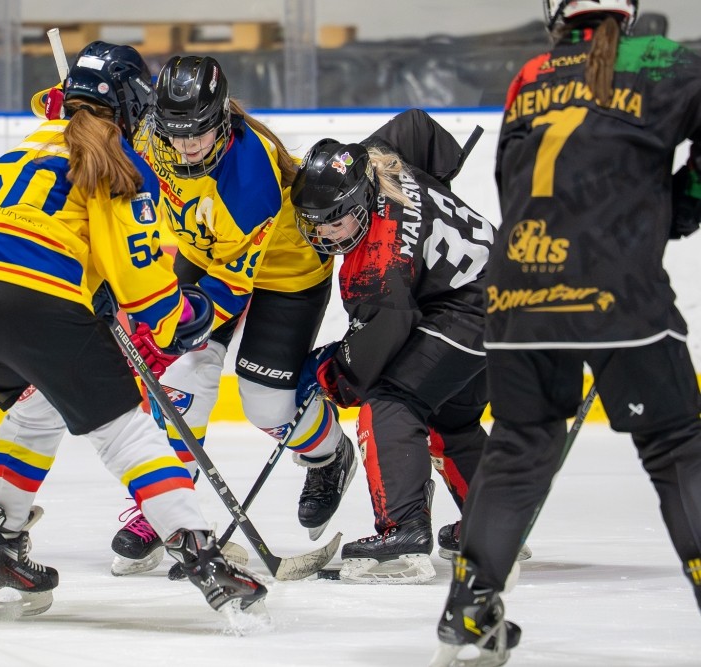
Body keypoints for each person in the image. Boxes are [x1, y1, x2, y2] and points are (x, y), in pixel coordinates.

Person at [0, 41, 268, 620]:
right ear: (135, 101)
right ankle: (202, 557)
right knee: (127, 433)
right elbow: (140, 283)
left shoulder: (30, 142)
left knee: (37, 409)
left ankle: (0, 546)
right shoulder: (116, 160)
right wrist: (180, 319)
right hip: (31, 302)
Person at [431, 1, 701, 664]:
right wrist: (682, 203)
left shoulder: (531, 73)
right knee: (676, 447)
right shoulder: (659, 59)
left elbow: (511, 182)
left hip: (518, 285)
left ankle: (470, 606)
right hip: (616, 285)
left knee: (519, 446)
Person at [106, 54, 360, 577]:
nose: (187, 145)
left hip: (284, 274)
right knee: (183, 377)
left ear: (221, 116)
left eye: (199, 131)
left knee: (266, 405)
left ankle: (329, 454)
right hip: (204, 258)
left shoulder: (250, 180)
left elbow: (232, 286)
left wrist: (171, 320)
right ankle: (165, 508)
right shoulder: (150, 134)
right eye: (176, 132)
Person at [290, 109, 499, 584]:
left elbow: (369, 363)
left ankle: (403, 532)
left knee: (390, 404)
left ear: (362, 201)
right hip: (504, 293)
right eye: (315, 223)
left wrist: (327, 374)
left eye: (336, 223)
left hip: (473, 312)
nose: (324, 234)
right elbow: (418, 125)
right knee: (451, 417)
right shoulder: (381, 159)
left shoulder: (376, 266)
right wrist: (438, 186)